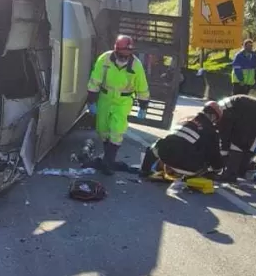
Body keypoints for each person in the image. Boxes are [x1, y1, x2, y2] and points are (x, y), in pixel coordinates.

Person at [86, 35, 150, 175]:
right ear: (116, 50)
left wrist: (143, 104)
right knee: (102, 129)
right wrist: (91, 99)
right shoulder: (105, 59)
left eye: (128, 53)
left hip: (123, 101)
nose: (125, 56)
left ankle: (108, 162)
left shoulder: (136, 64)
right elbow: (95, 79)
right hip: (105, 98)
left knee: (117, 129)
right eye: (122, 53)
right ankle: (107, 158)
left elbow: (142, 85)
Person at [139, 101, 225, 178]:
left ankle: (144, 170)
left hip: (166, 157)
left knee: (159, 144)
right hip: (189, 168)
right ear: (213, 117)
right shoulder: (211, 131)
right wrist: (218, 169)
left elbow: (172, 140)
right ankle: (183, 173)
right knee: (205, 156)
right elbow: (214, 155)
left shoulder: (185, 119)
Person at [215, 94, 256, 182]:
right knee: (243, 141)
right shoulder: (222, 108)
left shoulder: (224, 115)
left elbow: (225, 137)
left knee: (240, 142)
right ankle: (239, 170)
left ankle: (233, 173)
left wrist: (223, 156)